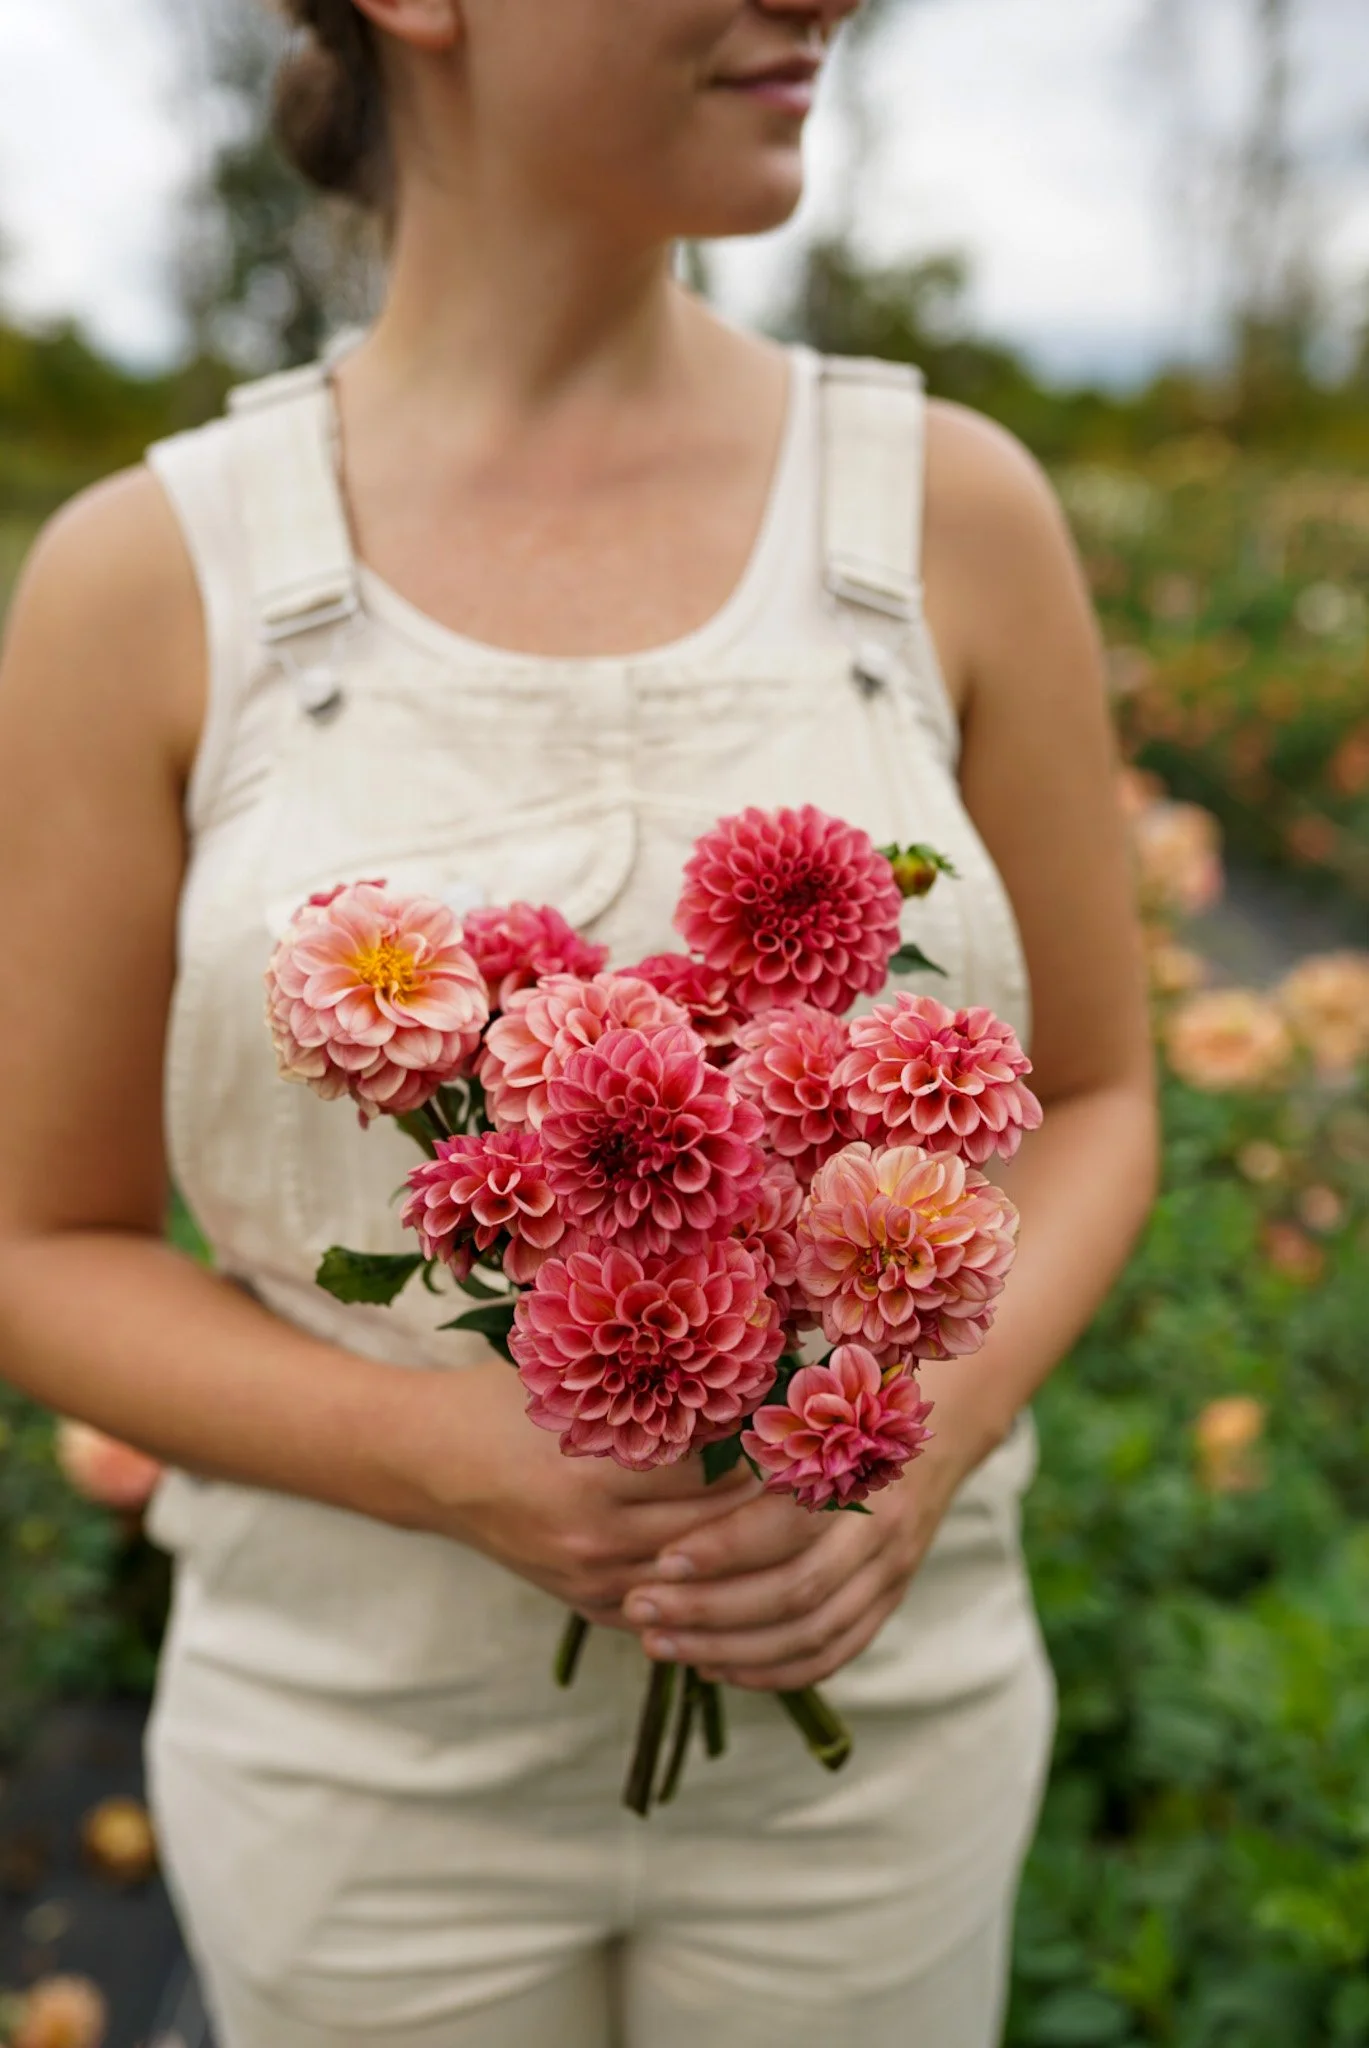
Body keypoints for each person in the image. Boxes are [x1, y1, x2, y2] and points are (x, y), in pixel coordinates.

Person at [0, 1, 1159, 2042]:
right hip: (355, 1773)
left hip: (880, 1753)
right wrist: (452, 1455)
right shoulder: (145, 578)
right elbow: (38, 1247)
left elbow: (1100, 1095)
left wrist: (912, 1437)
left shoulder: (950, 512)